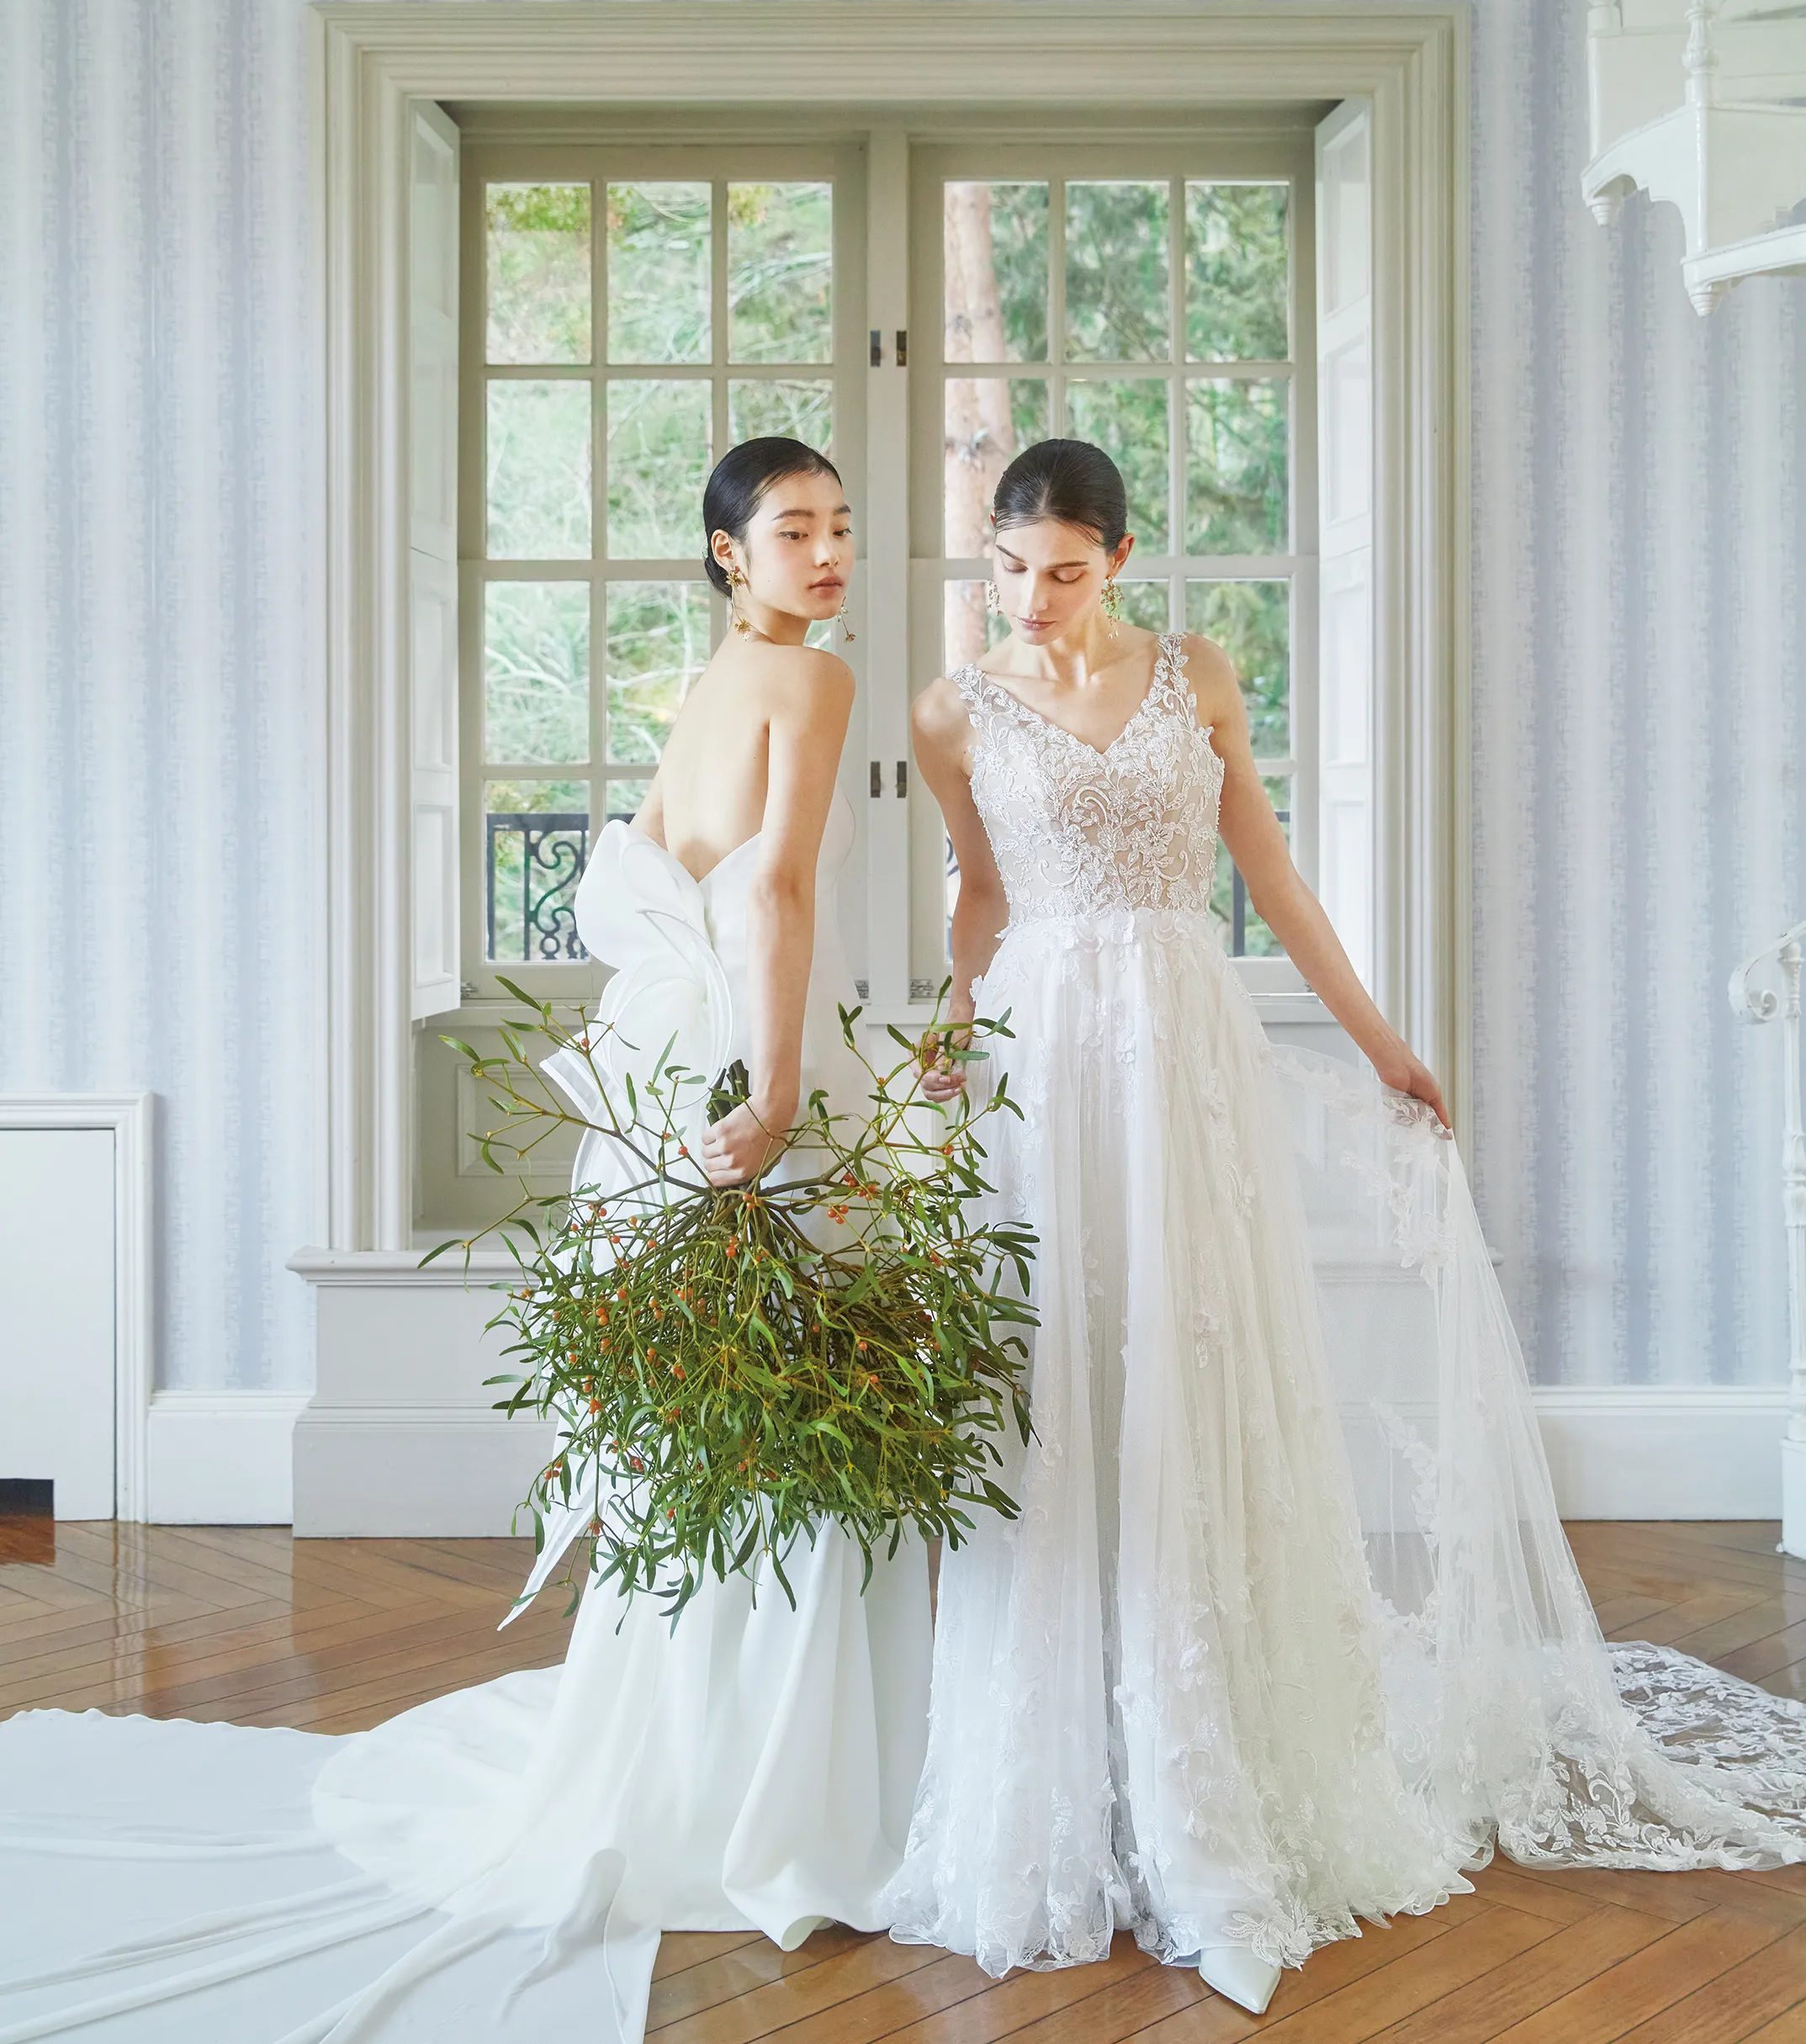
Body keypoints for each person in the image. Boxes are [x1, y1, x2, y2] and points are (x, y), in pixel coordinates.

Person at [0, 437, 930, 2043]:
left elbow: (654, 882)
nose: (829, 551)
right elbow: (774, 895)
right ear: (729, 552)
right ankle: (798, 1777)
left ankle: (694, 1741)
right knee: (795, 1419)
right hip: (754, 1064)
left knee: (707, 1425)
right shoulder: (814, 681)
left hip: (663, 1088)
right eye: (795, 529)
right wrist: (779, 1091)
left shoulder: (710, 687)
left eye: (842, 526)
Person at [891, 437, 1806, 2016]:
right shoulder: (950, 708)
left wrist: (1384, 1047)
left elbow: (1273, 882)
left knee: (1196, 1371)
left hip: (1181, 1047)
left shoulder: (1196, 676)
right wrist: (945, 1032)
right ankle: (1069, 1770)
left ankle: (1222, 1785)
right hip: (1045, 1057)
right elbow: (979, 892)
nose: (1030, 596)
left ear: (1119, 558)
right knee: (1060, 1389)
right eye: (1008, 568)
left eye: (1061, 569)